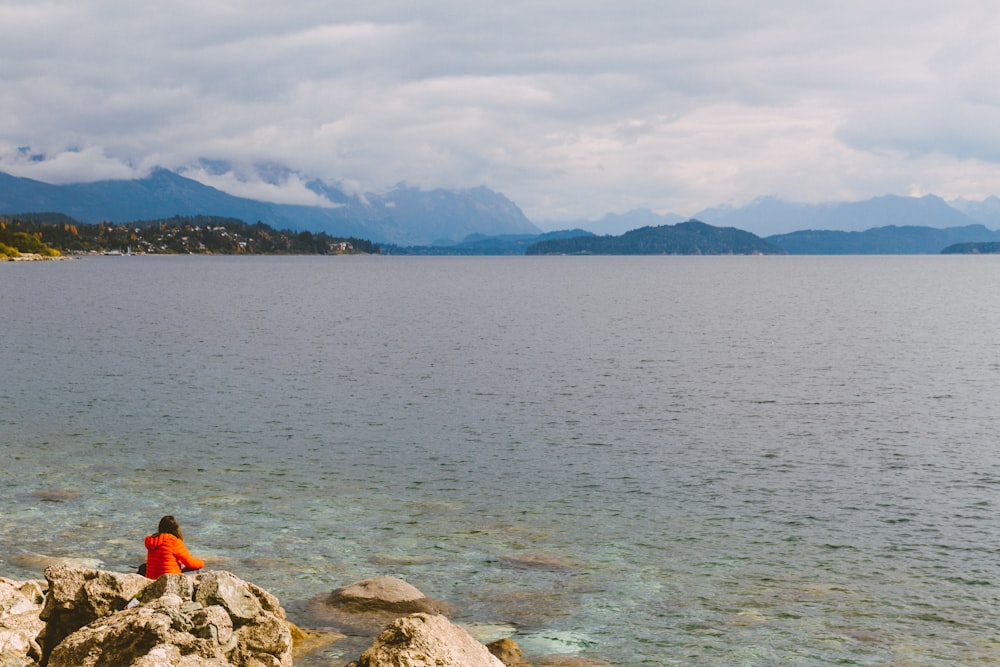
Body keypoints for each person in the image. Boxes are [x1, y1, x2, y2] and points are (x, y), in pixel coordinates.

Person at [143, 515, 205, 579]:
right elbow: (190, 563)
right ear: (176, 528)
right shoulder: (174, 542)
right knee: (196, 569)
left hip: (151, 578)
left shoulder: (152, 540)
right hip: (170, 578)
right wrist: (202, 563)